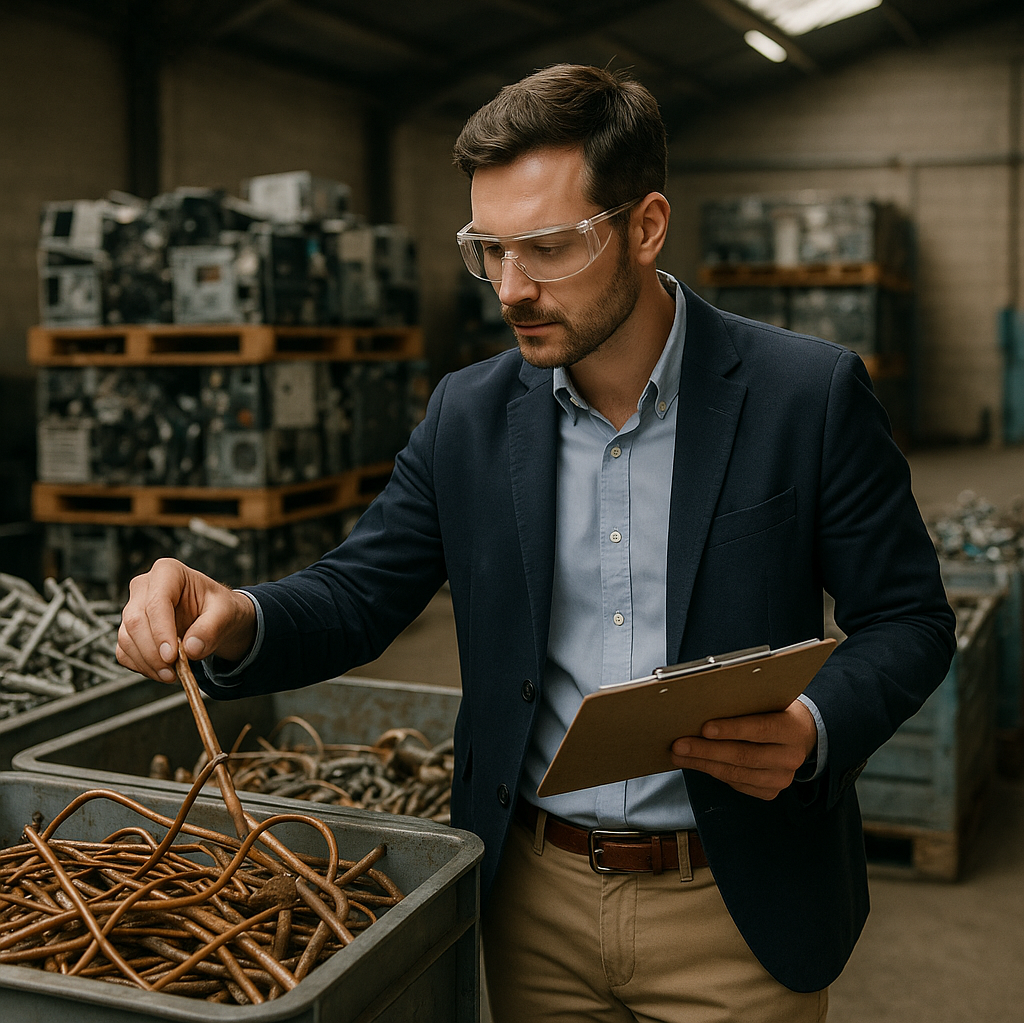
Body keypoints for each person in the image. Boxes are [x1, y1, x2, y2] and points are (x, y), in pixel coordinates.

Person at [117, 64, 956, 1022]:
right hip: (532, 898)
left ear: (645, 226)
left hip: (733, 897)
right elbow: (359, 592)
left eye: (549, 248)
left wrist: (812, 729)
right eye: (490, 251)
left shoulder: (805, 397)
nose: (512, 290)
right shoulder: (468, 416)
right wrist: (238, 615)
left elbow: (908, 620)